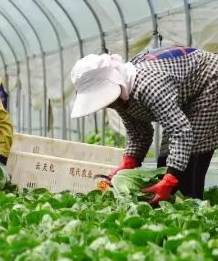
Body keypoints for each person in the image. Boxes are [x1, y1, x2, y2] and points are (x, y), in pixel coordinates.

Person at [71, 47, 218, 204]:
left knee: (190, 151)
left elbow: (181, 131)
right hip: (187, 94)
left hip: (210, 82)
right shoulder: (121, 97)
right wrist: (129, 162)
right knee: (166, 158)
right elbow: (139, 134)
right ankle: (172, 201)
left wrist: (170, 179)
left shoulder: (148, 86)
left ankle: (192, 205)